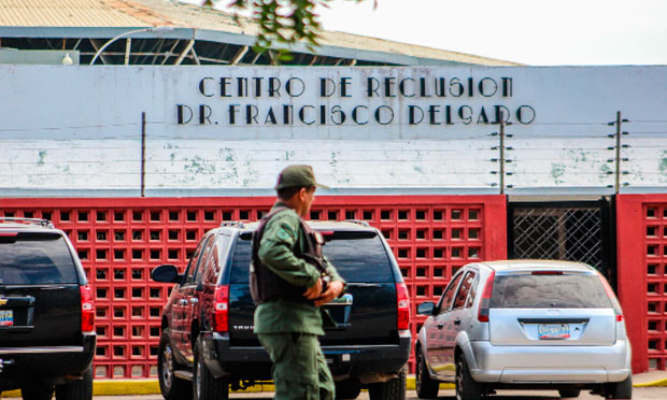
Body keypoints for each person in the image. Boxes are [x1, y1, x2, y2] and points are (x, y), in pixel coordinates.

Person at [251, 165, 346, 400]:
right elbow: (271, 251)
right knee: (300, 393)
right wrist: (311, 277)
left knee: (322, 390)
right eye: (312, 194)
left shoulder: (293, 222)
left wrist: (336, 284)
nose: (313, 200)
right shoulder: (285, 218)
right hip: (288, 319)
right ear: (302, 193)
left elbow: (319, 261)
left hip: (297, 322)